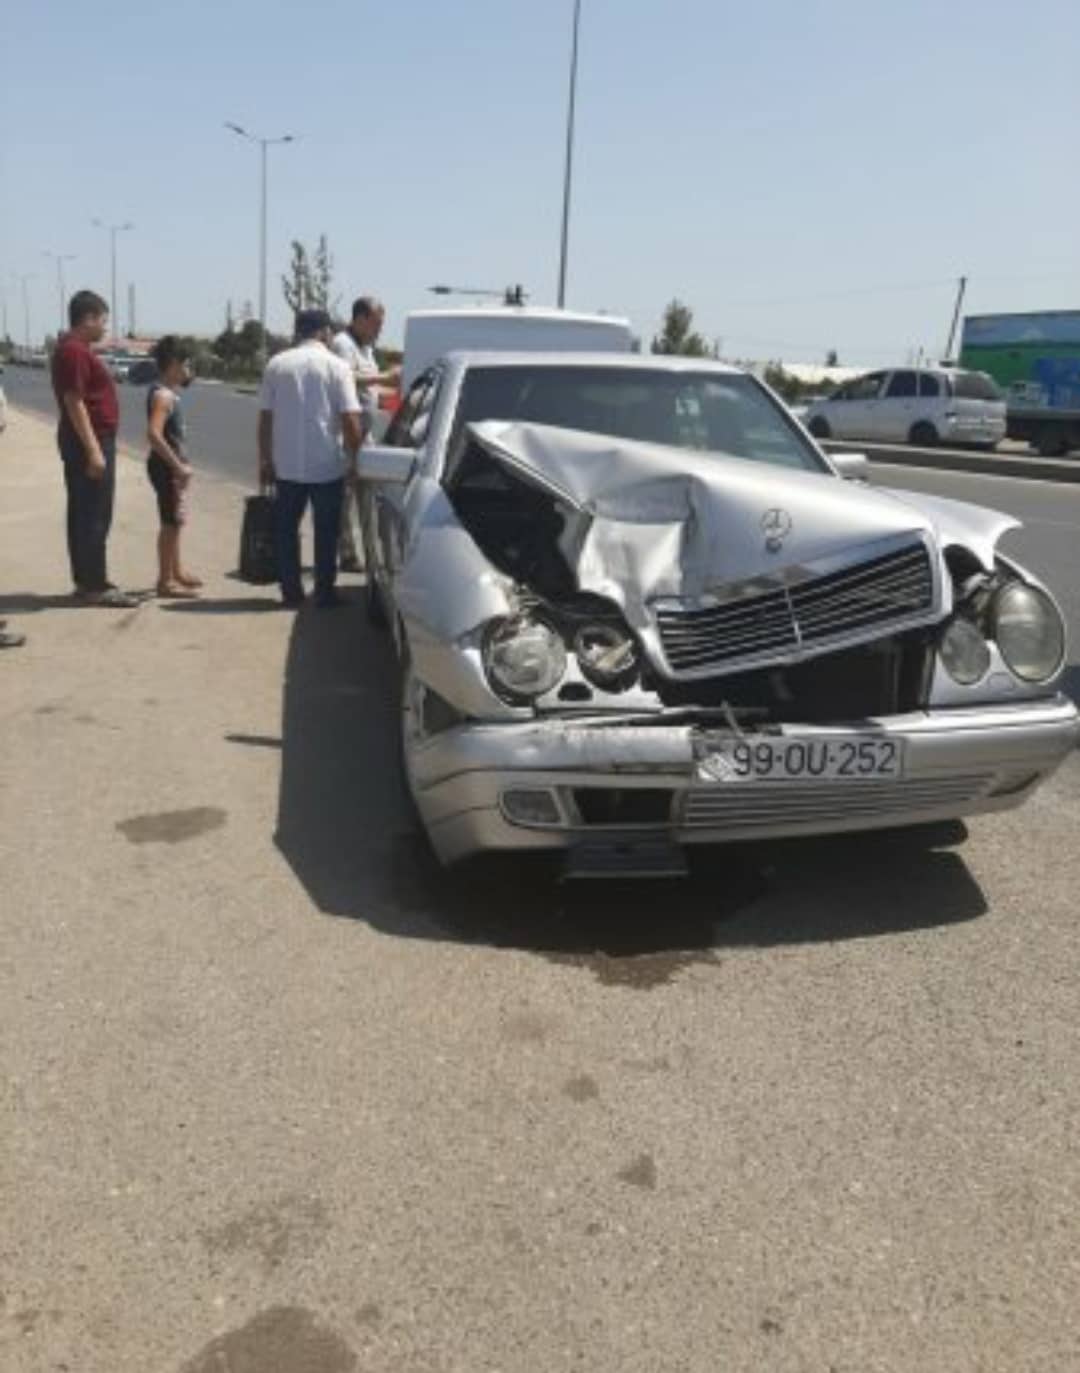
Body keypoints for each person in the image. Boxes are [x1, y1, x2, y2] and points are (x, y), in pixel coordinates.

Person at [257, 309, 363, 608]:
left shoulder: (276, 365)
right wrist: (356, 460)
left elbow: (265, 419)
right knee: (326, 532)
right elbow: (350, 420)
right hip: (327, 466)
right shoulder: (338, 367)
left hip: (286, 466)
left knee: (286, 531)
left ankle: (291, 592)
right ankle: (324, 592)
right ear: (324, 332)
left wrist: (265, 460)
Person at [50, 290, 137, 607]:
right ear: (88, 319)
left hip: (85, 441)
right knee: (94, 514)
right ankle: (95, 585)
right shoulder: (74, 351)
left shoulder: (73, 349)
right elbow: (74, 401)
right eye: (103, 320)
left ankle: (86, 580)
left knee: (84, 513)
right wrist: (93, 450)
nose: (105, 327)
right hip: (90, 441)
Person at [330, 297, 400, 571]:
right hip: (347, 431)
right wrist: (384, 378)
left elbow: (371, 387)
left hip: (365, 433)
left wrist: (393, 389)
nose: (379, 330)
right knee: (345, 496)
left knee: (369, 495)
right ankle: (347, 553)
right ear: (360, 319)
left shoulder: (367, 348)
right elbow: (345, 378)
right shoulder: (342, 344)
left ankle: (372, 555)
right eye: (376, 324)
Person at [145, 336, 201, 598]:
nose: (189, 370)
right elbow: (153, 435)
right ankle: (165, 581)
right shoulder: (164, 396)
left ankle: (176, 571)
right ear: (174, 365)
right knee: (169, 523)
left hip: (170, 468)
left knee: (176, 521)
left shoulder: (167, 393)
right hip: (166, 468)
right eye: (186, 364)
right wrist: (178, 466)